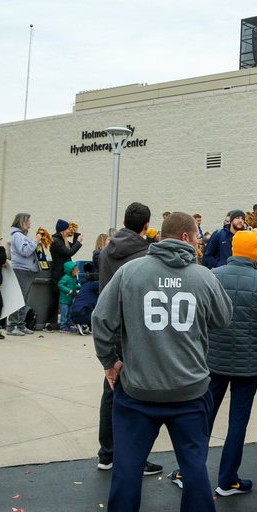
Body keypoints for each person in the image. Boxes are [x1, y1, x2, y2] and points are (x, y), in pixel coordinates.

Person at [92, 212, 233, 512]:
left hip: (138, 389)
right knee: (194, 466)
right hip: (189, 390)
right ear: (185, 237)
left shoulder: (130, 272)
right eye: (198, 236)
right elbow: (223, 319)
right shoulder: (203, 276)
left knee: (127, 464)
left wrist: (110, 362)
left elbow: (101, 320)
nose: (201, 242)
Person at [170, 230, 257, 494]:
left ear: (233, 250)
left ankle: (187, 471)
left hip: (213, 359)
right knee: (238, 422)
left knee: (203, 416)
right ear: (256, 252)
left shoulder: (212, 276)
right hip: (249, 363)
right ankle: (228, 479)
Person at [93, 202, 158, 475]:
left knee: (111, 389)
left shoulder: (107, 250)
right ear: (146, 226)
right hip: (134, 329)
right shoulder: (144, 255)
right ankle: (133, 457)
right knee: (136, 396)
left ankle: (107, 453)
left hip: (112, 324)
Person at [47, 219, 82, 330]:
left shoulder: (63, 240)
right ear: (62, 230)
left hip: (63, 272)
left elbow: (72, 247)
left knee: (63, 299)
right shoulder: (56, 241)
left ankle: (61, 322)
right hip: (59, 273)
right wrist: (79, 243)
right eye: (67, 229)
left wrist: (76, 235)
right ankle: (51, 323)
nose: (68, 231)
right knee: (57, 299)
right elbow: (69, 252)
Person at [6, 213, 38, 336]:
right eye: (28, 220)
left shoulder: (24, 236)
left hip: (28, 270)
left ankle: (20, 324)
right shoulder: (18, 236)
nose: (30, 223)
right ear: (22, 222)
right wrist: (35, 242)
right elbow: (24, 251)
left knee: (25, 299)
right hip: (21, 270)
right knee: (18, 298)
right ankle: (12, 325)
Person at [57, 260, 80, 331]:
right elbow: (60, 285)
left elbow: (74, 286)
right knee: (64, 313)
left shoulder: (74, 278)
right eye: (76, 270)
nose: (77, 271)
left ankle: (69, 325)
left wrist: (79, 286)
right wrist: (68, 290)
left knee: (69, 312)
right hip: (64, 299)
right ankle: (63, 326)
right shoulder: (66, 277)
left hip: (70, 298)